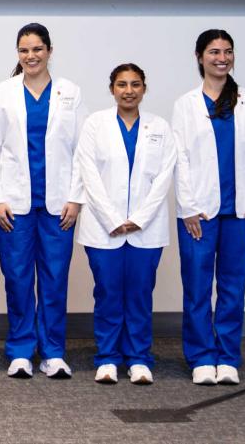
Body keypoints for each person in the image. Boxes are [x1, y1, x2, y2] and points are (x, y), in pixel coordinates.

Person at [0, 23, 84, 379]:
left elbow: (79, 151)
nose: (31, 56)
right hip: (14, 204)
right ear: (18, 54)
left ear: (49, 51)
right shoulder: (3, 93)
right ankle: (21, 350)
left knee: (55, 278)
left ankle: (54, 352)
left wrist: (76, 197)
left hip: (58, 204)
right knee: (17, 277)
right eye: (25, 50)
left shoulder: (69, 92)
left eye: (37, 49)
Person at [173, 29, 245, 387]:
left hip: (240, 211)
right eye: (214, 51)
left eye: (228, 51)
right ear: (200, 57)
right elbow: (180, 158)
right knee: (197, 286)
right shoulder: (186, 104)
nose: (222, 58)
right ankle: (200, 356)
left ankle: (227, 357)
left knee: (232, 287)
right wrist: (187, 207)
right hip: (200, 212)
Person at [73, 63, 176, 386]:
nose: (128, 91)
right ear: (111, 89)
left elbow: (164, 177)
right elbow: (88, 171)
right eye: (121, 84)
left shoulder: (160, 127)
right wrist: (113, 218)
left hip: (146, 228)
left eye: (135, 84)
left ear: (144, 88)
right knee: (107, 293)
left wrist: (138, 219)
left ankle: (139, 358)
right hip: (104, 227)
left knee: (141, 294)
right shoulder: (95, 125)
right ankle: (107, 358)